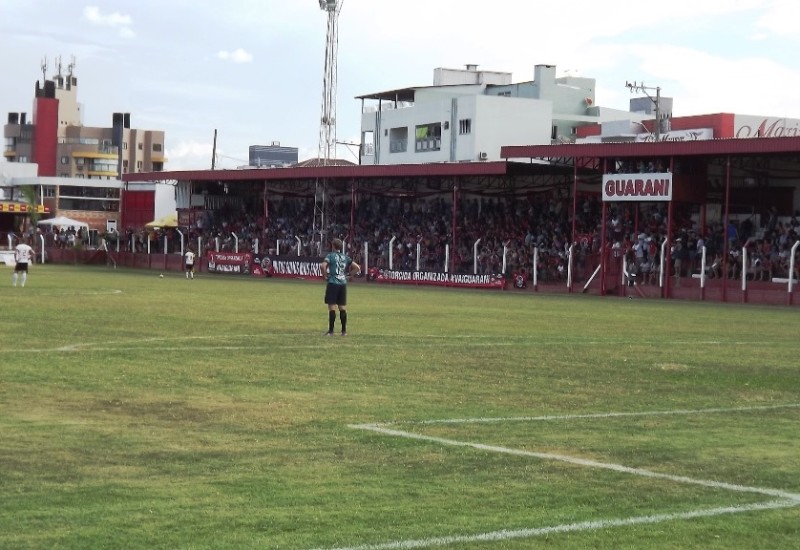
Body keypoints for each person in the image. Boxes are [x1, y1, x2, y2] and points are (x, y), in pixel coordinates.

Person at [320, 238, 360, 336]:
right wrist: (349, 275)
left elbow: (323, 266)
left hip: (333, 282)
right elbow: (357, 268)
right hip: (343, 283)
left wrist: (325, 276)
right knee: (342, 307)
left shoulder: (330, 256)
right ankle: (343, 331)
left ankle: (331, 331)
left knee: (332, 306)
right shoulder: (345, 257)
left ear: (333, 246)